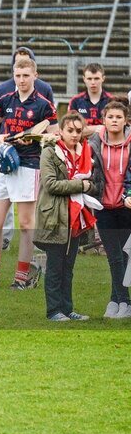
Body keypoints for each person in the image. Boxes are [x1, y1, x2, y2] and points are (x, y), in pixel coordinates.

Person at [0, 57, 57, 291]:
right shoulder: (6, 98)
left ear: (35, 75)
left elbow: (55, 136)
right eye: (18, 76)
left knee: (26, 224)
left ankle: (21, 278)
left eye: (26, 75)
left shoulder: (44, 104)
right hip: (4, 163)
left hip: (28, 165)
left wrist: (36, 137)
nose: (21, 80)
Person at [35, 112, 99, 321]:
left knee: (68, 268)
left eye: (78, 131)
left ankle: (67, 308)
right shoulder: (50, 152)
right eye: (70, 130)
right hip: (54, 217)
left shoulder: (85, 154)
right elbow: (51, 184)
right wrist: (82, 185)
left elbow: (95, 184)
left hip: (75, 218)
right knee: (55, 267)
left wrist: (88, 186)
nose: (74, 135)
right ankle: (54, 311)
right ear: (60, 131)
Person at [89, 99, 131, 318]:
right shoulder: (95, 142)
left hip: (126, 207)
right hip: (103, 207)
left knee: (123, 255)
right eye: (110, 117)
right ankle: (120, 300)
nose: (114, 120)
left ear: (126, 120)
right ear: (103, 120)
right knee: (113, 256)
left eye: (118, 117)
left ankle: (119, 301)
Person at [69, 63, 111, 138]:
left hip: (105, 144)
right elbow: (71, 130)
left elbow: (115, 128)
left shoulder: (111, 101)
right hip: (80, 145)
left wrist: (86, 130)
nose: (93, 82)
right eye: (89, 79)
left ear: (103, 78)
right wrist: (96, 128)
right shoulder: (75, 101)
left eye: (96, 78)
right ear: (84, 79)